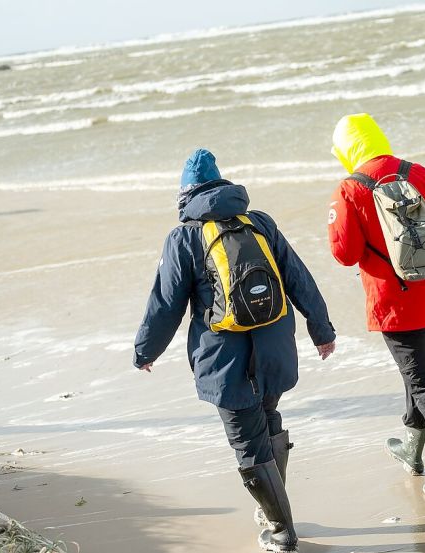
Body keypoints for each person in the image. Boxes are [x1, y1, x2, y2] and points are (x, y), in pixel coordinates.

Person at [134, 148, 336, 552]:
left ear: (185, 195)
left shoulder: (184, 238)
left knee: (247, 441)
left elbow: (166, 304)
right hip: (275, 349)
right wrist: (321, 329)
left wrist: (145, 351)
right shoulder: (259, 223)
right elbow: (298, 277)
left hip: (225, 360)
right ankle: (272, 509)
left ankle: (282, 531)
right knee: (268, 416)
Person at [326, 113, 425, 501]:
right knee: (421, 373)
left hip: (395, 304)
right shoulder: (422, 175)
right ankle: (412, 449)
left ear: (346, 149)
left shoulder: (349, 189)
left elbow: (345, 254)